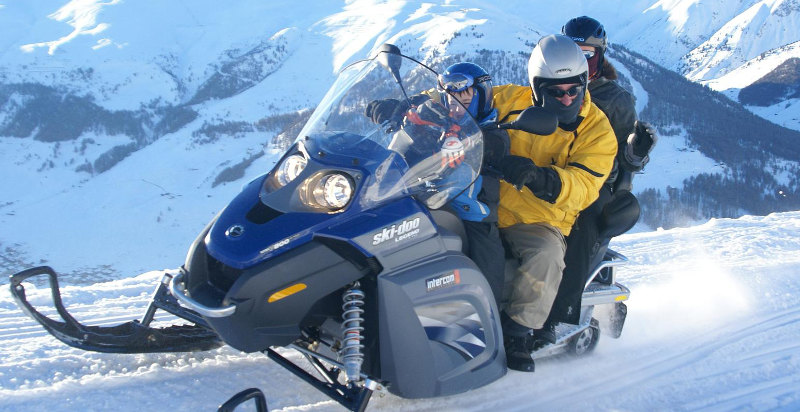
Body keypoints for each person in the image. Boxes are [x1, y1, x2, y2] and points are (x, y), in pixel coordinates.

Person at [492, 34, 617, 372]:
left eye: (572, 90)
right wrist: (417, 105)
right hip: (482, 198)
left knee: (545, 257)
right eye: (554, 92)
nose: (565, 99)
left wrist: (541, 178)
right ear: (535, 88)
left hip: (539, 217)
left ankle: (518, 332)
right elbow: (463, 99)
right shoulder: (509, 99)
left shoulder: (597, 131)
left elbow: (585, 185)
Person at [546, 16, 659, 328]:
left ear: (600, 55)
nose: (580, 60)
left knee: (582, 223)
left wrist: (636, 153)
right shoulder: (552, 86)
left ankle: (561, 315)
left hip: (596, 184)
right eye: (573, 52)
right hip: (552, 173)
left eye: (587, 54)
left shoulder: (615, 99)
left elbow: (625, 159)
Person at [365, 62, 508, 305]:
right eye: (451, 95)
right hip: (425, 195)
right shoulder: (438, 115)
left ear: (481, 97)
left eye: (465, 94)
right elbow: (415, 118)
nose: (456, 102)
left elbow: (493, 146)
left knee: (484, 244)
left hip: (470, 202)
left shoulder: (492, 129)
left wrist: (465, 142)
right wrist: (393, 111)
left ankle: (492, 310)